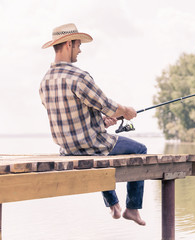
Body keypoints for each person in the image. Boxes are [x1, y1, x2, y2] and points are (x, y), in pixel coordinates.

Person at [39, 23, 146, 226]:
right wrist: (127, 112)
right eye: (78, 45)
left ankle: (113, 204)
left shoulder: (44, 82)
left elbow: (68, 117)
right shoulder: (78, 77)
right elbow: (110, 107)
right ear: (69, 43)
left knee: (97, 153)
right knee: (139, 150)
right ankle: (132, 208)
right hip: (92, 145)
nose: (80, 50)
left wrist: (101, 122)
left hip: (67, 149)